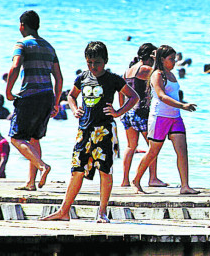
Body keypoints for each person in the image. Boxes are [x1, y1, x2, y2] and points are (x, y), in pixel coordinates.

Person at [41, 41, 139, 222]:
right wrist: (74, 107)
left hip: (104, 130)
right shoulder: (82, 77)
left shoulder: (113, 79)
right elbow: (71, 95)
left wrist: (118, 112)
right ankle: (64, 211)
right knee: (76, 170)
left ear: (105, 61)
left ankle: (102, 212)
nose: (93, 66)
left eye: (97, 62)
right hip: (84, 130)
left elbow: (134, 96)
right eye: (90, 62)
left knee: (105, 170)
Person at [6, 10, 63, 191]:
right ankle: (31, 183)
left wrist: (8, 91)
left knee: (16, 138)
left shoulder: (22, 44)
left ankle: (42, 166)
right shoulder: (49, 47)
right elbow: (59, 78)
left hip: (30, 95)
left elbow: (15, 67)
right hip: (46, 96)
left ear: (22, 25)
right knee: (34, 138)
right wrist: (55, 102)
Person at [132, 45, 199, 195]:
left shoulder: (172, 75)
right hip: (160, 117)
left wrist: (181, 107)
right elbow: (161, 96)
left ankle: (185, 186)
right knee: (153, 151)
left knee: (182, 151)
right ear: (162, 59)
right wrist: (183, 105)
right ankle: (136, 180)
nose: (174, 62)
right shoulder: (157, 74)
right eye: (171, 59)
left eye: (175, 59)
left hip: (175, 117)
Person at [119, 43, 167, 188]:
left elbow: (120, 91)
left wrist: (121, 110)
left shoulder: (128, 71)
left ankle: (125, 180)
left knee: (130, 146)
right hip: (141, 112)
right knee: (152, 146)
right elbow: (161, 74)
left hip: (128, 112)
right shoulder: (146, 69)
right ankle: (153, 178)